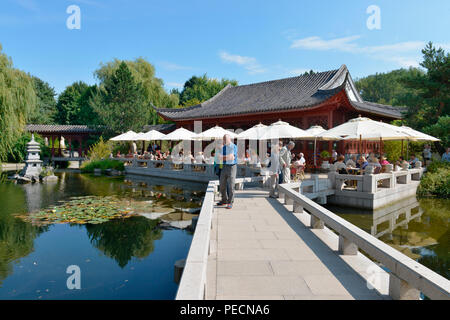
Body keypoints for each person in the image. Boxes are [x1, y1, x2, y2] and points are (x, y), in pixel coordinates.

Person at [217, 134, 238, 209]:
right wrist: (226, 157)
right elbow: (219, 158)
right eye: (223, 139)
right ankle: (224, 200)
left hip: (232, 167)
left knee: (231, 185)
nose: (224, 141)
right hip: (224, 167)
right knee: (222, 184)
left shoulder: (234, 146)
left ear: (230, 139)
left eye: (225, 139)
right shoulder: (224, 147)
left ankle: (230, 202)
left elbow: (231, 158)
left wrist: (224, 157)